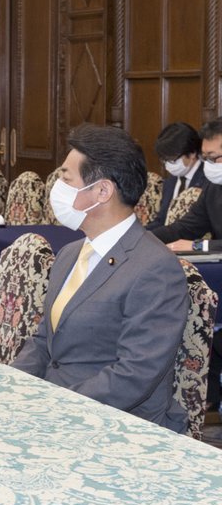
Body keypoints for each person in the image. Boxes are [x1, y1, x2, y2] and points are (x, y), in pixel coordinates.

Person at [14, 124, 188, 433]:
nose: (57, 188)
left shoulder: (155, 268)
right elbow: (44, 341)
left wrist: (54, 405)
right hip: (55, 408)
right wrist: (11, 386)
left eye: (66, 179)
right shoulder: (69, 254)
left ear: (102, 191)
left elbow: (134, 374)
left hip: (119, 426)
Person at [151, 117, 222, 418]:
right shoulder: (215, 188)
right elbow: (185, 227)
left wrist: (197, 247)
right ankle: (207, 397)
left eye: (216, 158)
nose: (211, 166)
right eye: (207, 159)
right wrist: (137, 237)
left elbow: (194, 241)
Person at [147, 121, 206, 228]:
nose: (168, 165)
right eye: (164, 160)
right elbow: (161, 220)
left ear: (192, 153)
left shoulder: (208, 181)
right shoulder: (170, 181)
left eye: (172, 160)